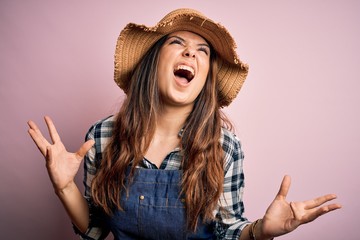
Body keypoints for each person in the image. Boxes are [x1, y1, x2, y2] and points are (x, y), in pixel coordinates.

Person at [27, 8, 341, 240]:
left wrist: (262, 231)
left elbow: (228, 232)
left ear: (204, 79)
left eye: (202, 51)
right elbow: (94, 228)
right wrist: (64, 187)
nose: (191, 51)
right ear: (153, 63)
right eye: (177, 43)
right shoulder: (103, 135)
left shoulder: (224, 146)